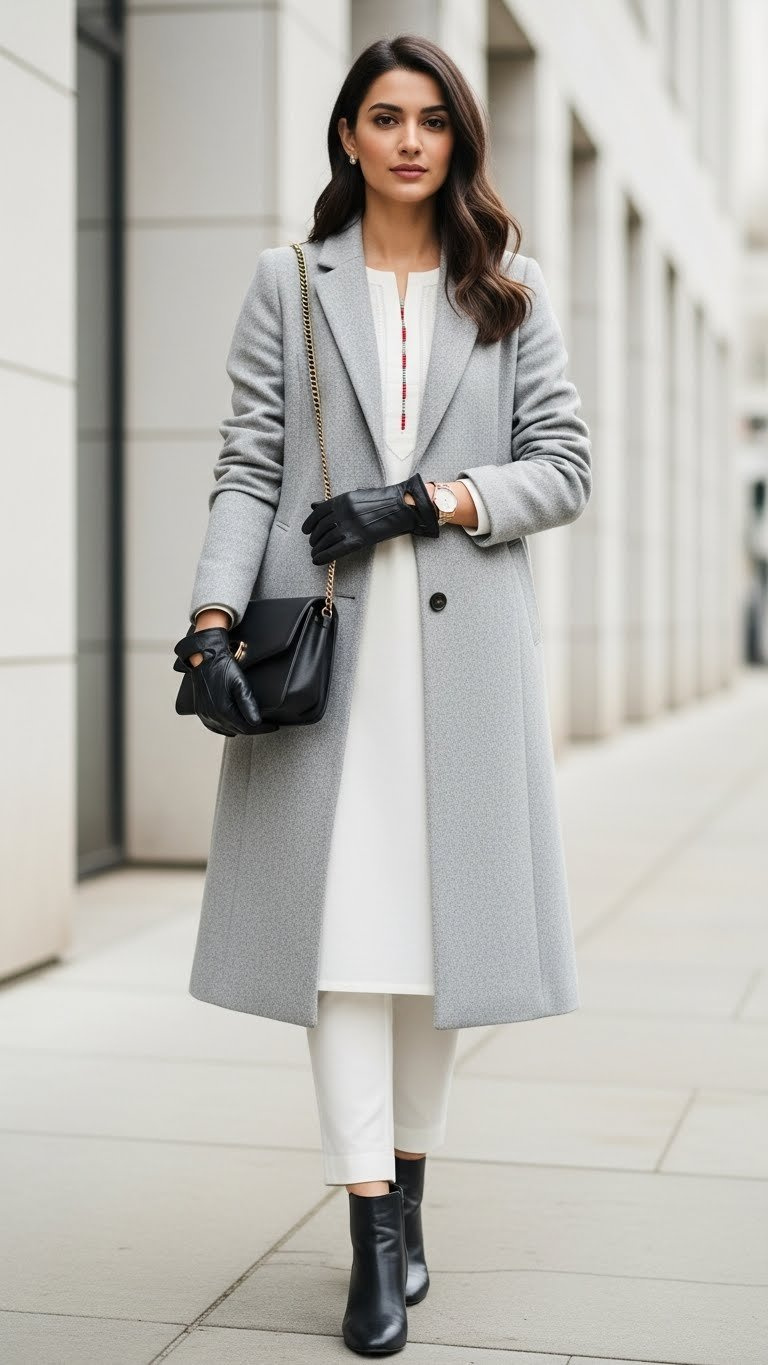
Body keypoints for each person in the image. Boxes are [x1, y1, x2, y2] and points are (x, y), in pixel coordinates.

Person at [173, 33, 592, 1358]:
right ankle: (367, 1227)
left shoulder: (509, 290)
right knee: (344, 957)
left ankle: (410, 1195)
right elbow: (247, 464)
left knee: (435, 965)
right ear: (349, 136)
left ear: (459, 140)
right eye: (384, 118)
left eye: (432, 120)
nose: (410, 140)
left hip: (461, 675)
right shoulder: (288, 283)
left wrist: (432, 497)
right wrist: (208, 620)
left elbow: (565, 467)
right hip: (333, 671)